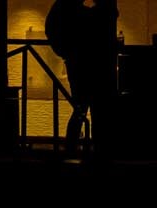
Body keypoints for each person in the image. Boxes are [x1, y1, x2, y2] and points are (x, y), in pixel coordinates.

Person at [45, 0, 122, 154]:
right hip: (96, 67)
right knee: (97, 110)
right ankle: (100, 150)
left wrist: (65, 52)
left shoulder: (71, 13)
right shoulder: (90, 16)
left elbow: (52, 27)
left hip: (78, 65)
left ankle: (72, 148)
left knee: (80, 109)